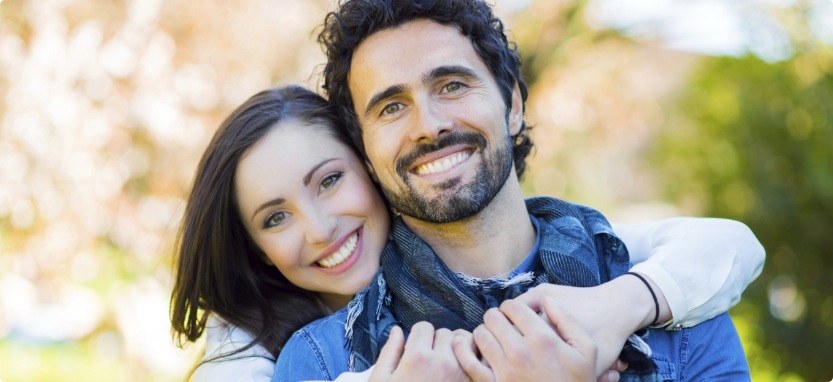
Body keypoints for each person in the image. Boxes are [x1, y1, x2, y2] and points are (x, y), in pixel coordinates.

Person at [273, 0, 760, 381]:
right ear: (366, 155)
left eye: (451, 85)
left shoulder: (673, 307)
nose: (429, 125)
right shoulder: (320, 362)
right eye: (391, 108)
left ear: (512, 106)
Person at [171, 85, 763, 381]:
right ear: (259, 252)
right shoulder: (277, 357)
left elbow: (722, 247)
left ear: (374, 165)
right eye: (275, 218)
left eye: (328, 181)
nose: (319, 228)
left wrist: (622, 306)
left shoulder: (597, 269)